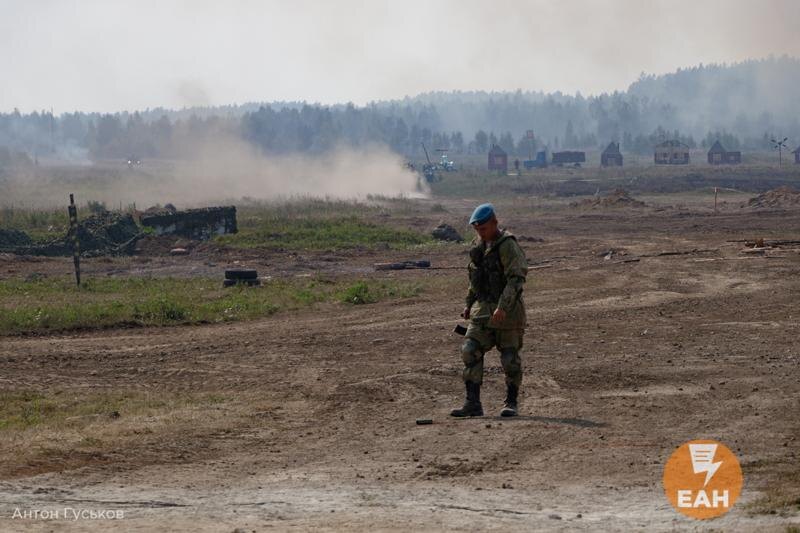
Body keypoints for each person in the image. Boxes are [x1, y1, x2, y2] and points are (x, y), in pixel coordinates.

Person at [451, 203, 528, 417]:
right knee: (469, 350)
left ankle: (511, 402)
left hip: (508, 314)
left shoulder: (507, 245)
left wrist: (503, 307)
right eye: (477, 230)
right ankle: (472, 404)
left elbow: (516, 279)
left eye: (484, 229)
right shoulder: (479, 246)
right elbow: (476, 279)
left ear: (495, 222)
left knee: (510, 359)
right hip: (482, 312)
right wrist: (468, 305)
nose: (480, 233)